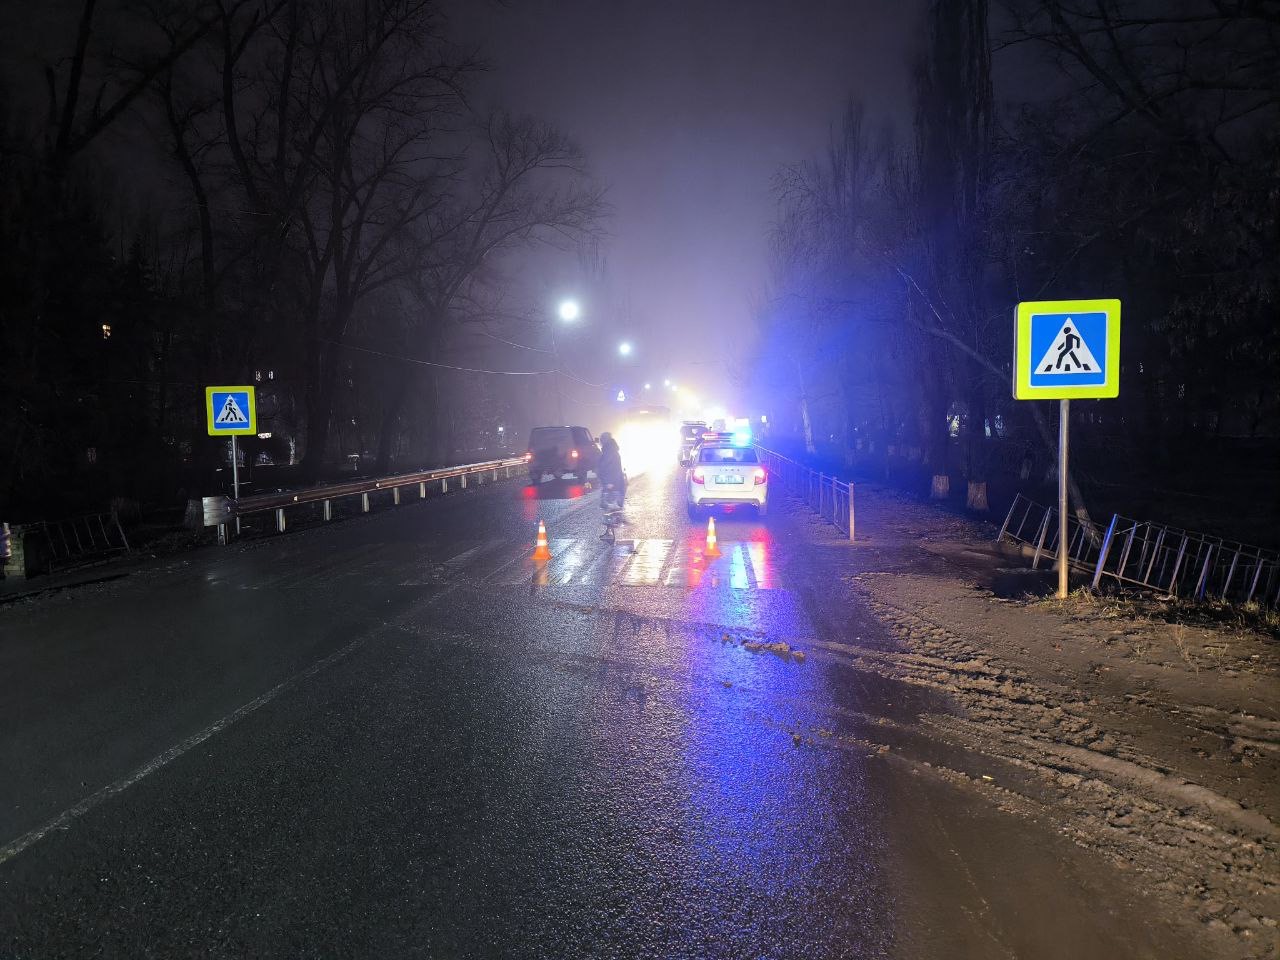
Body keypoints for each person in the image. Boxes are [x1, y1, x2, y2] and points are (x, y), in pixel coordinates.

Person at [597, 432, 626, 509]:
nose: (600, 442)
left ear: (604, 440)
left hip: (613, 483)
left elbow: (609, 468)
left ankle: (614, 514)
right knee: (614, 507)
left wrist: (609, 482)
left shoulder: (609, 451)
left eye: (601, 440)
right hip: (615, 482)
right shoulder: (611, 450)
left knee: (611, 507)